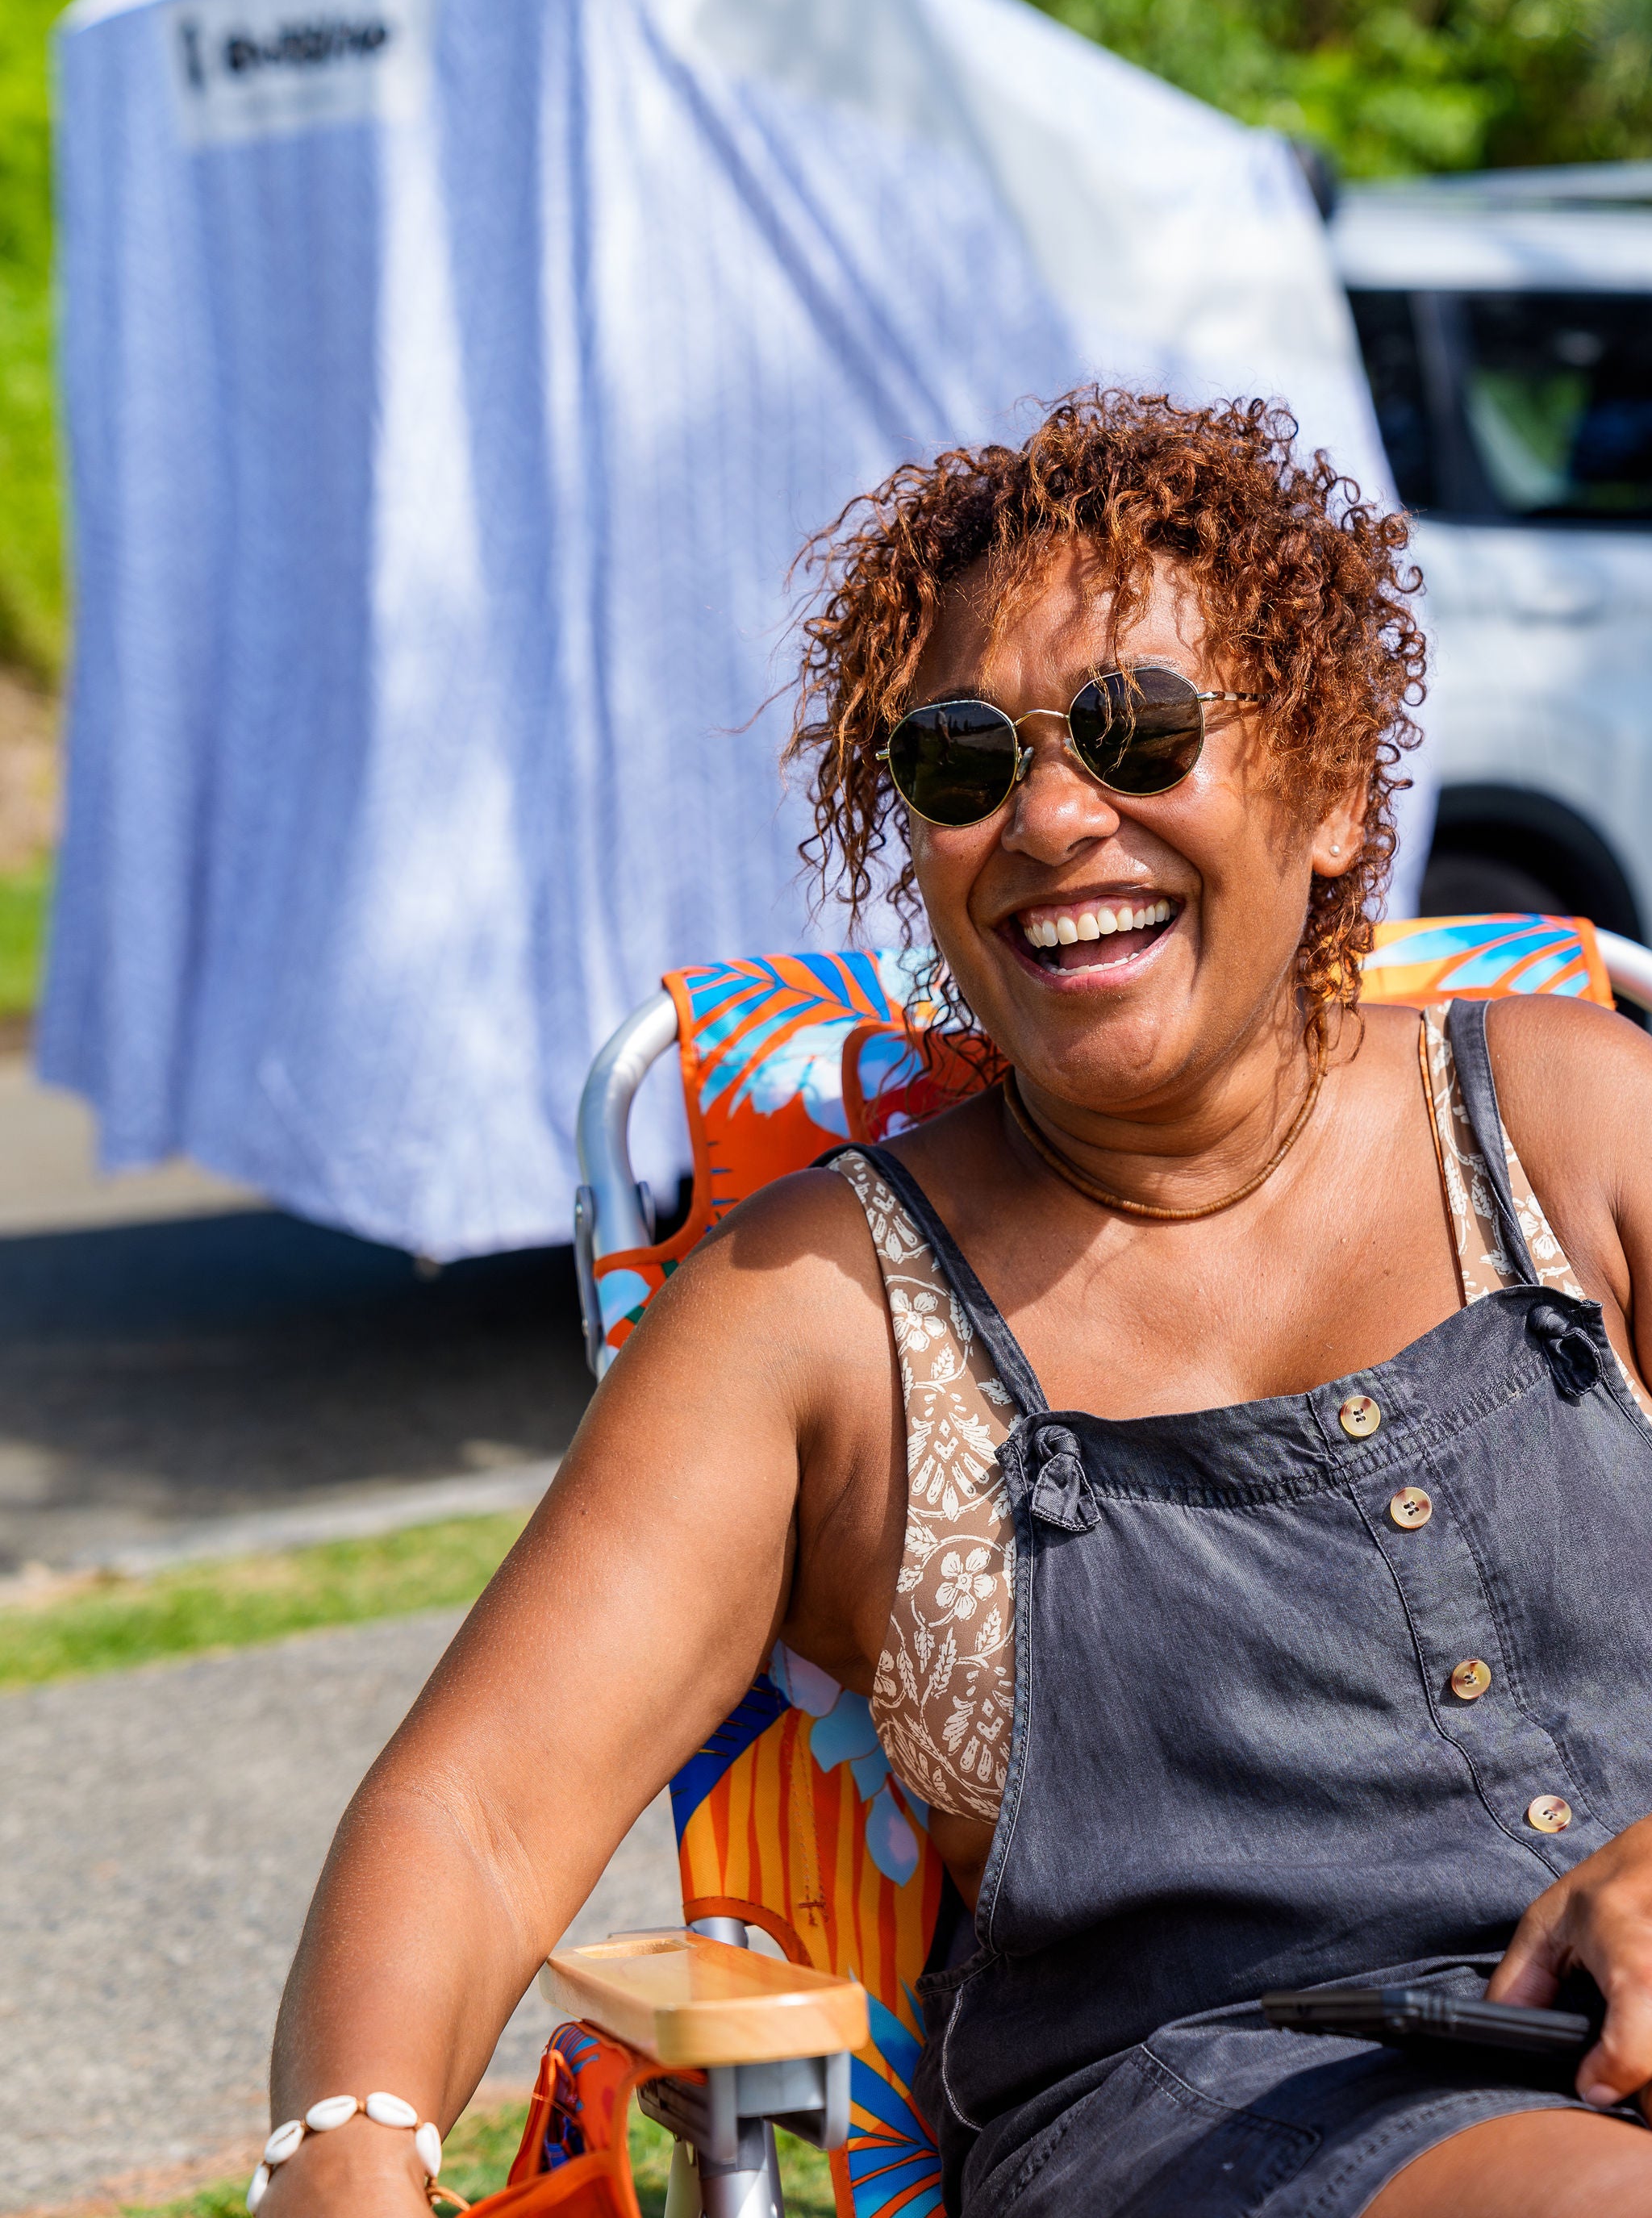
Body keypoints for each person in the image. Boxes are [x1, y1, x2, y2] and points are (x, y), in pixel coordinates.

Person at [264, 390, 1652, 2217]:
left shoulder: (1563, 1118)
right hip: (1244, 2126)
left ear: (1327, 795)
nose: (1054, 815)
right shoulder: (814, 1313)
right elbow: (473, 1814)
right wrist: (340, 2159)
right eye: (960, 761)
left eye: (1138, 732)